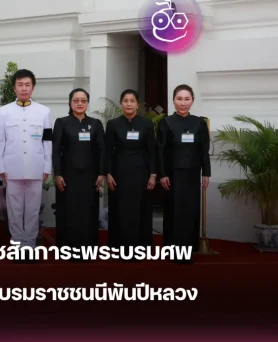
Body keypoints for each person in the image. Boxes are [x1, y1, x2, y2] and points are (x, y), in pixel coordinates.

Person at [0, 69, 52, 260]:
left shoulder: (43, 111)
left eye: (27, 85)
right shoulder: (4, 112)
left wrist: (47, 166)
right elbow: (0, 141)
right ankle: (17, 244)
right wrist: (1, 167)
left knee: (33, 209)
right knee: (15, 209)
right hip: (12, 167)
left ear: (33, 88)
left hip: (36, 167)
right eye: (20, 85)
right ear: (14, 88)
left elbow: (47, 141)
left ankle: (29, 245)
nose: (24, 88)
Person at [158, 84, 211, 264]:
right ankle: (173, 250)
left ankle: (188, 250)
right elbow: (160, 151)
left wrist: (206, 173)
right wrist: (162, 174)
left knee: (191, 212)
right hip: (172, 175)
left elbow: (204, 150)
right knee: (174, 212)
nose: (183, 103)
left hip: (193, 174)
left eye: (187, 99)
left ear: (192, 101)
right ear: (173, 100)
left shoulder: (199, 123)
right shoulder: (166, 122)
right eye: (179, 99)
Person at [52, 88, 105, 257]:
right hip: (67, 176)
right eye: (76, 100)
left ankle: (87, 250)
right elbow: (55, 151)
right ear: (70, 103)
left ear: (87, 103)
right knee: (69, 212)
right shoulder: (62, 122)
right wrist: (57, 174)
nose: (80, 103)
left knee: (88, 212)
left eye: (83, 100)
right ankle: (67, 249)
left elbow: (102, 150)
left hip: (90, 177)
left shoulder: (96, 124)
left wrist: (101, 173)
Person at [105, 89, 156, 251]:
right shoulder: (113, 124)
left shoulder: (146, 123)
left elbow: (152, 151)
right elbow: (107, 151)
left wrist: (153, 174)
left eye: (132, 101)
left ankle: (140, 246)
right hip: (119, 173)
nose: (129, 104)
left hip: (141, 173)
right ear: (121, 104)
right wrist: (108, 173)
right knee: (121, 209)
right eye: (125, 101)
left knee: (140, 209)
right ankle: (119, 247)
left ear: (137, 104)